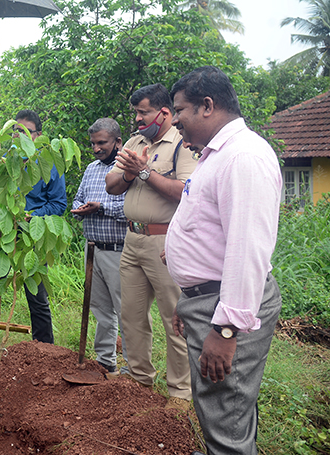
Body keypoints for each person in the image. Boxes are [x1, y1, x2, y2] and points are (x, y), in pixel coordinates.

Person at [167, 66, 282, 454]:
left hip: (224, 306)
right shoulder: (217, 155)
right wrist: (190, 300)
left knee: (226, 408)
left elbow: (247, 249)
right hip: (207, 300)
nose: (176, 120)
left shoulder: (243, 157)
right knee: (219, 404)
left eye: (179, 110)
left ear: (207, 106)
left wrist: (227, 329)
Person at [105, 83, 197, 407]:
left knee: (174, 317)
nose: (139, 118)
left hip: (165, 241)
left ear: (164, 112)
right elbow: (112, 185)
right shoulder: (134, 141)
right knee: (130, 315)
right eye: (136, 113)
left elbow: (185, 190)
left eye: (143, 112)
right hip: (132, 239)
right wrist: (130, 173)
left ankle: (181, 392)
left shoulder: (182, 143)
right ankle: (139, 377)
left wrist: (143, 172)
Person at [0, 110, 66, 347]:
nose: (18, 136)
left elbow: (58, 203)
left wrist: (30, 216)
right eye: (14, 131)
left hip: (32, 233)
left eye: (24, 132)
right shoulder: (2, 160)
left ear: (38, 135)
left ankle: (43, 344)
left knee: (36, 292)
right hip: (3, 229)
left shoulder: (48, 163)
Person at [70, 118, 128, 373]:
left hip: (119, 250)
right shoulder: (92, 169)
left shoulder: (128, 170)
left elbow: (131, 209)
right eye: (93, 143)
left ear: (117, 142)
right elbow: (78, 198)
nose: (96, 148)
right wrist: (82, 209)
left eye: (102, 143)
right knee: (101, 309)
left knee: (125, 311)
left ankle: (133, 370)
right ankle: (106, 361)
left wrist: (101, 207)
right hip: (92, 248)